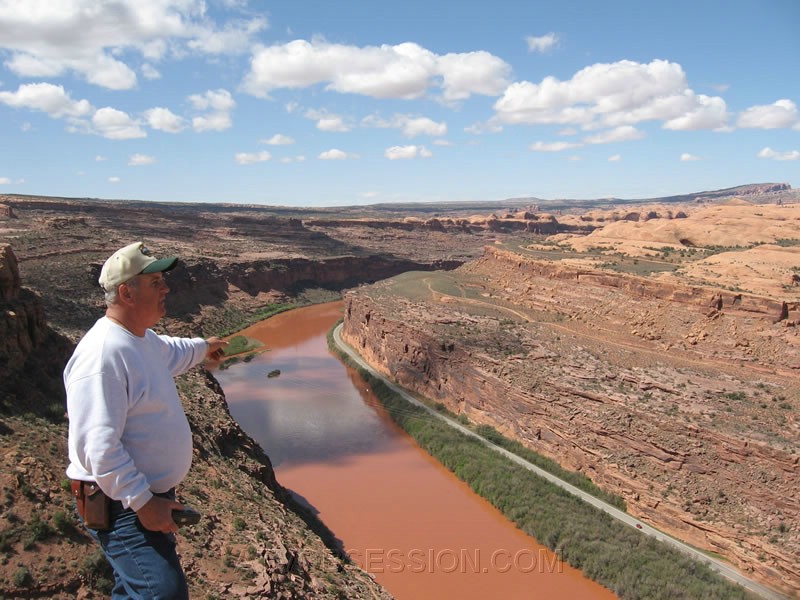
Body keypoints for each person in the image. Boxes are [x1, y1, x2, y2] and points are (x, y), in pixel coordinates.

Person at [64, 241, 228, 599]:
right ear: (127, 292)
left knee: (133, 590)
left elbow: (172, 351)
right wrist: (143, 502)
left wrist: (205, 346)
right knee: (162, 593)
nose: (166, 288)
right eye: (156, 283)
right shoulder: (103, 356)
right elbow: (99, 448)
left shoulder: (141, 339)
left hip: (140, 498)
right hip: (120, 505)